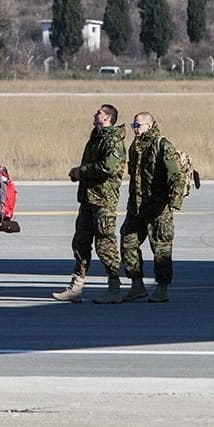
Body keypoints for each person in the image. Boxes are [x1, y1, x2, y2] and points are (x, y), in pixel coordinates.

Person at [52, 104, 128, 304]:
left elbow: (108, 168)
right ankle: (76, 286)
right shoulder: (96, 137)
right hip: (88, 198)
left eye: (99, 112)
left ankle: (114, 288)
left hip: (103, 200)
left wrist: (81, 171)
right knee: (80, 242)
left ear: (107, 118)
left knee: (105, 243)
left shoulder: (113, 141)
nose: (95, 114)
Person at [120, 112, 181, 303]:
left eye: (138, 126)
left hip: (158, 208)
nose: (135, 129)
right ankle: (136, 285)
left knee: (161, 248)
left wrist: (174, 202)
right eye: (134, 126)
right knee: (128, 242)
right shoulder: (134, 147)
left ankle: (162, 288)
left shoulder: (163, 145)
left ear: (149, 125)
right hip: (137, 207)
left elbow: (175, 175)